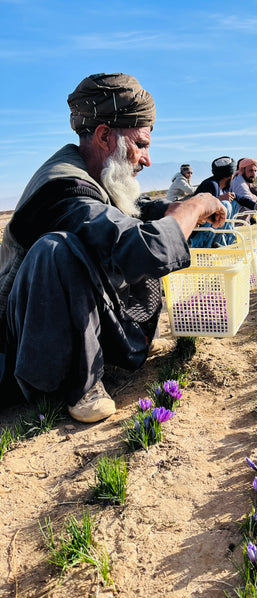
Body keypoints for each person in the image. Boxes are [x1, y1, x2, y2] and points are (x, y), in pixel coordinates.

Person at [0, 73, 226, 422]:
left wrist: (165, 210)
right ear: (105, 136)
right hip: (16, 346)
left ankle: (100, 358)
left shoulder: (90, 174)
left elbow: (121, 211)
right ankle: (79, 385)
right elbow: (141, 249)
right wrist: (191, 209)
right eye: (142, 144)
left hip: (48, 329)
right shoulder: (62, 190)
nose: (147, 159)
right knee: (56, 249)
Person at [191, 156, 239, 248]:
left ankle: (223, 243)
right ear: (229, 176)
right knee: (225, 204)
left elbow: (239, 197)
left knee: (234, 203)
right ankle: (211, 245)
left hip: (212, 230)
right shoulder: (210, 185)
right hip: (200, 233)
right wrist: (219, 199)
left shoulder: (223, 188)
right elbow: (200, 209)